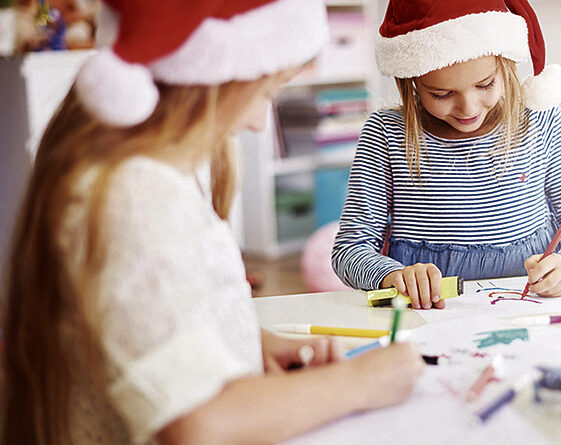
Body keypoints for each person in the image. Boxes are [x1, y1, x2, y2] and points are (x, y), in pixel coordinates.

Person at [0, 1, 423, 444]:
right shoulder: (136, 196)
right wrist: (357, 385)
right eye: (264, 94)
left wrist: (252, 345)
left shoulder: (143, 172)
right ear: (206, 78)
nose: (261, 123)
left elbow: (155, 319)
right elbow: (196, 423)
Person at [332, 0, 561, 310]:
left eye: (485, 84)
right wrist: (393, 276)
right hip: (431, 317)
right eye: (441, 94)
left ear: (506, 65)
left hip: (529, 311)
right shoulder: (386, 134)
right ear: (410, 80)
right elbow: (350, 249)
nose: (468, 107)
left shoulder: (541, 120)